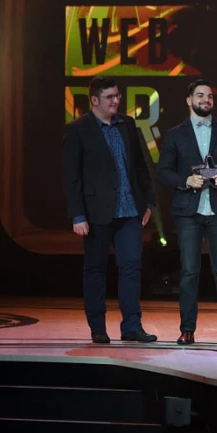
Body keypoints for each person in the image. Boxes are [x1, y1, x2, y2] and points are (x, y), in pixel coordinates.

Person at [62, 76, 157, 343]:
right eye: (110, 97)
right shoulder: (78, 129)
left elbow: (140, 165)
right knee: (95, 269)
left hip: (129, 211)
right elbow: (72, 177)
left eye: (117, 96)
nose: (116, 101)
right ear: (94, 100)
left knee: (131, 267)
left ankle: (131, 327)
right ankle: (98, 327)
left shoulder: (127, 124)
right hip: (96, 213)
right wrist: (78, 215)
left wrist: (148, 202)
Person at [156, 79, 217, 346]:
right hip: (189, 212)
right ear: (189, 100)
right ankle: (187, 329)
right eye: (200, 96)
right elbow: (162, 171)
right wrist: (185, 181)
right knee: (188, 272)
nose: (206, 100)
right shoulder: (175, 134)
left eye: (209, 96)